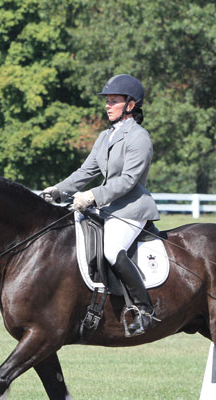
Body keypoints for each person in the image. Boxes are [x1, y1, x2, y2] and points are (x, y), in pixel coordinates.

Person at [42, 74, 159, 336]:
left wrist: (93, 196)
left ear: (130, 105)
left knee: (111, 250)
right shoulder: (105, 137)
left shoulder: (138, 137)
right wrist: (58, 190)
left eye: (114, 101)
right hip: (107, 208)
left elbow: (129, 181)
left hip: (131, 208)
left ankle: (145, 309)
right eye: (107, 101)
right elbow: (86, 172)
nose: (108, 106)